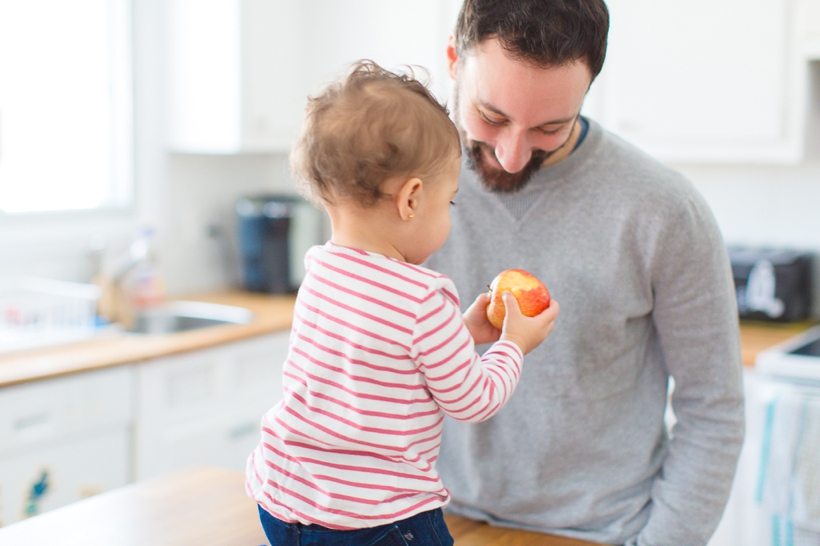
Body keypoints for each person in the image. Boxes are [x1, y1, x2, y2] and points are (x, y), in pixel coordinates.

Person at [424, 1, 745, 545]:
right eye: (492, 117)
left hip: (598, 534)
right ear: (454, 60)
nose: (511, 154)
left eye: (549, 126)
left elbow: (712, 410)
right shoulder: (405, 191)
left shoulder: (664, 211)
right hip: (435, 523)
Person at [245, 60, 559, 546]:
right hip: (376, 522)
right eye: (449, 201)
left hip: (285, 501)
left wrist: (461, 332)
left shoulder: (321, 271)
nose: (449, 215)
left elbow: (382, 353)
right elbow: (473, 399)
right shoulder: (422, 297)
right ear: (412, 200)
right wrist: (514, 343)